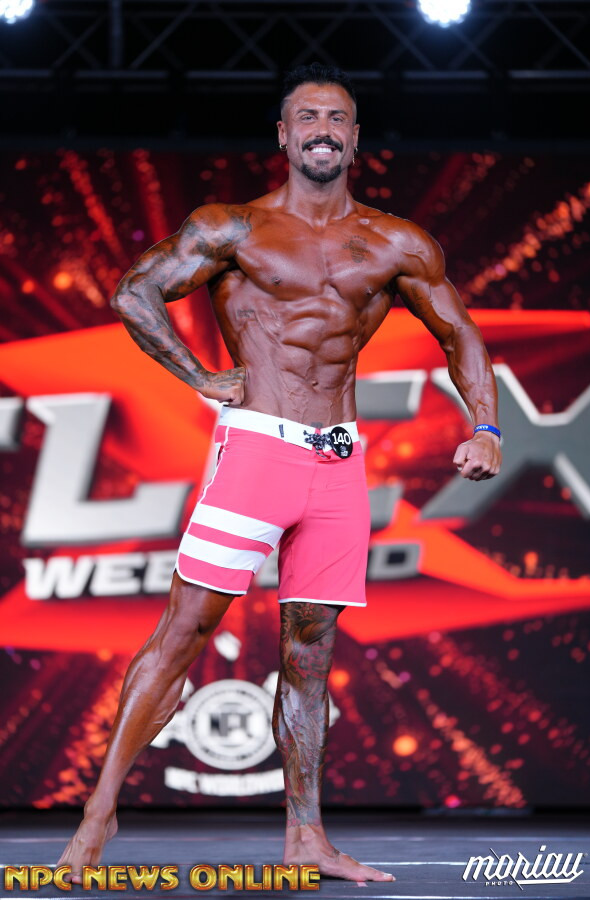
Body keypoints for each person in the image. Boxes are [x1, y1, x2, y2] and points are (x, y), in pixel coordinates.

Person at [58, 62, 501, 883]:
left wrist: (486, 426)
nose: (322, 129)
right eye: (308, 117)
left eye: (337, 118)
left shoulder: (398, 243)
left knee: (310, 652)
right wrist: (197, 374)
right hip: (258, 447)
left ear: (355, 138)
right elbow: (134, 292)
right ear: (284, 135)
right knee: (186, 630)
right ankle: (98, 814)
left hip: (338, 462)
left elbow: (461, 334)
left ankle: (306, 837)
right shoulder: (233, 228)